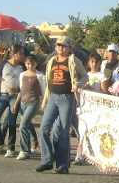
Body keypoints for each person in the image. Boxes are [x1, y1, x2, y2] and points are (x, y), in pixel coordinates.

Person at [35, 37, 89, 174]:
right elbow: (48, 83)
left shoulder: (73, 60)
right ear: (55, 47)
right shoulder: (52, 61)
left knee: (63, 132)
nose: (61, 48)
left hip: (67, 98)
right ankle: (47, 160)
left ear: (70, 48)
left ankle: (62, 165)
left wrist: (77, 85)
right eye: (59, 46)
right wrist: (44, 101)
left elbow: (85, 77)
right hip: (53, 97)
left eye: (64, 46)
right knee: (44, 129)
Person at [0, 44, 26, 157]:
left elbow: (25, 84)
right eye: (20, 53)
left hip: (15, 97)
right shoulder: (4, 64)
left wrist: (17, 89)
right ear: (14, 54)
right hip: (3, 95)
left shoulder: (22, 67)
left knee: (11, 122)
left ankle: (11, 147)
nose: (22, 55)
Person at [13, 54, 45, 160]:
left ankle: (24, 150)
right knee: (25, 125)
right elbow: (21, 91)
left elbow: (44, 92)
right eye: (27, 64)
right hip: (23, 102)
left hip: (34, 103)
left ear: (36, 64)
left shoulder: (40, 76)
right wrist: (16, 103)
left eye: (32, 63)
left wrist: (44, 104)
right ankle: (28, 147)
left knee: (23, 125)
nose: (29, 66)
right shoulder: (22, 75)